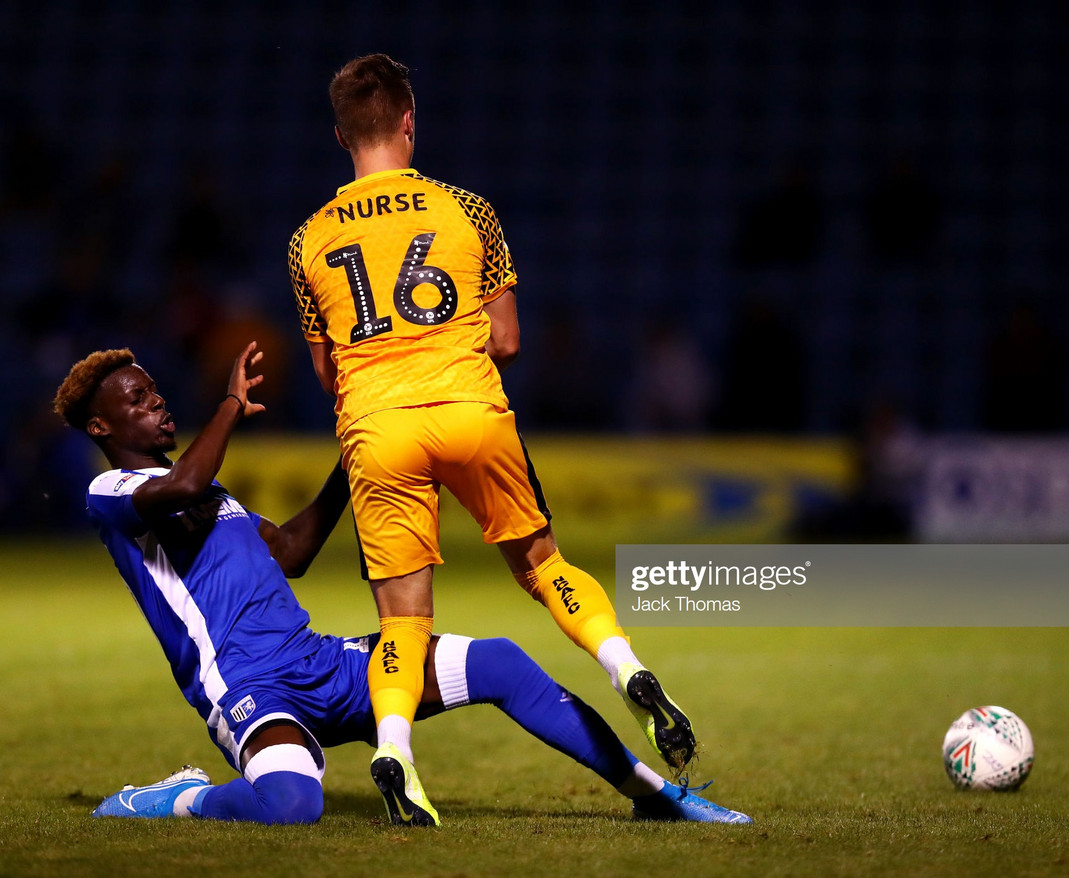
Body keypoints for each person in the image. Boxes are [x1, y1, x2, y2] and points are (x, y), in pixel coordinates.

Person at [52, 343, 751, 826]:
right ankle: (179, 800)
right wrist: (231, 404)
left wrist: (356, 459)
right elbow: (186, 480)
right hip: (247, 688)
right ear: (101, 424)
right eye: (140, 400)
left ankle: (653, 794)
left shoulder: (218, 500)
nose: (158, 404)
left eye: (155, 392)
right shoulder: (111, 492)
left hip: (318, 663)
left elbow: (290, 550)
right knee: (294, 807)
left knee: (501, 661)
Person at [287, 53, 697, 825]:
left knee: (403, 620)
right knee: (544, 566)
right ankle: (628, 666)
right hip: (470, 409)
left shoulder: (308, 239)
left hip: (377, 429)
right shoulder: (468, 210)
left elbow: (326, 372)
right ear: (410, 121)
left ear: (341, 134)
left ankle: (395, 746)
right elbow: (506, 340)